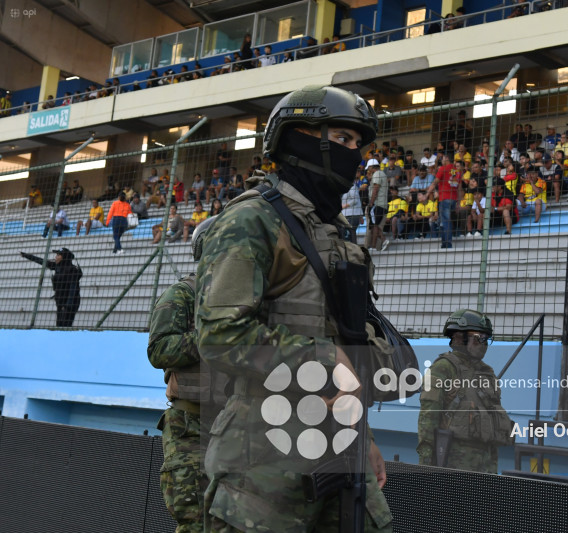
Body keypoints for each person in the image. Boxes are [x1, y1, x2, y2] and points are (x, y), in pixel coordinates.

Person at [195, 85, 394, 532]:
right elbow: (220, 336)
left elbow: (347, 340)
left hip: (341, 445)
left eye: (358, 144)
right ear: (300, 138)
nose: (355, 154)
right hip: (263, 464)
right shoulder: (252, 221)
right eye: (343, 139)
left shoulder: (336, 234)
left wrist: (364, 436)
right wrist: (322, 361)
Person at [148, 216, 224, 533]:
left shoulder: (244, 301)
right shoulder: (183, 294)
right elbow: (159, 350)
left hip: (234, 426)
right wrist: (210, 337)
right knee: (195, 519)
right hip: (191, 425)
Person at [417, 309, 513, 473]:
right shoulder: (442, 368)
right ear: (460, 337)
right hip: (454, 463)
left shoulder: (487, 372)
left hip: (486, 464)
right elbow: (428, 416)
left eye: (486, 339)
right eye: (479, 338)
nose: (484, 344)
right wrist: (426, 465)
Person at [20, 248, 82, 327]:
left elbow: (73, 289)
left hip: (70, 302)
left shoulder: (72, 269)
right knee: (59, 326)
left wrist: (67, 306)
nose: (56, 257)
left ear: (64, 257)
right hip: (60, 301)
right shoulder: (57, 267)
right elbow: (42, 261)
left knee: (65, 326)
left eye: (58, 255)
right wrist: (27, 255)